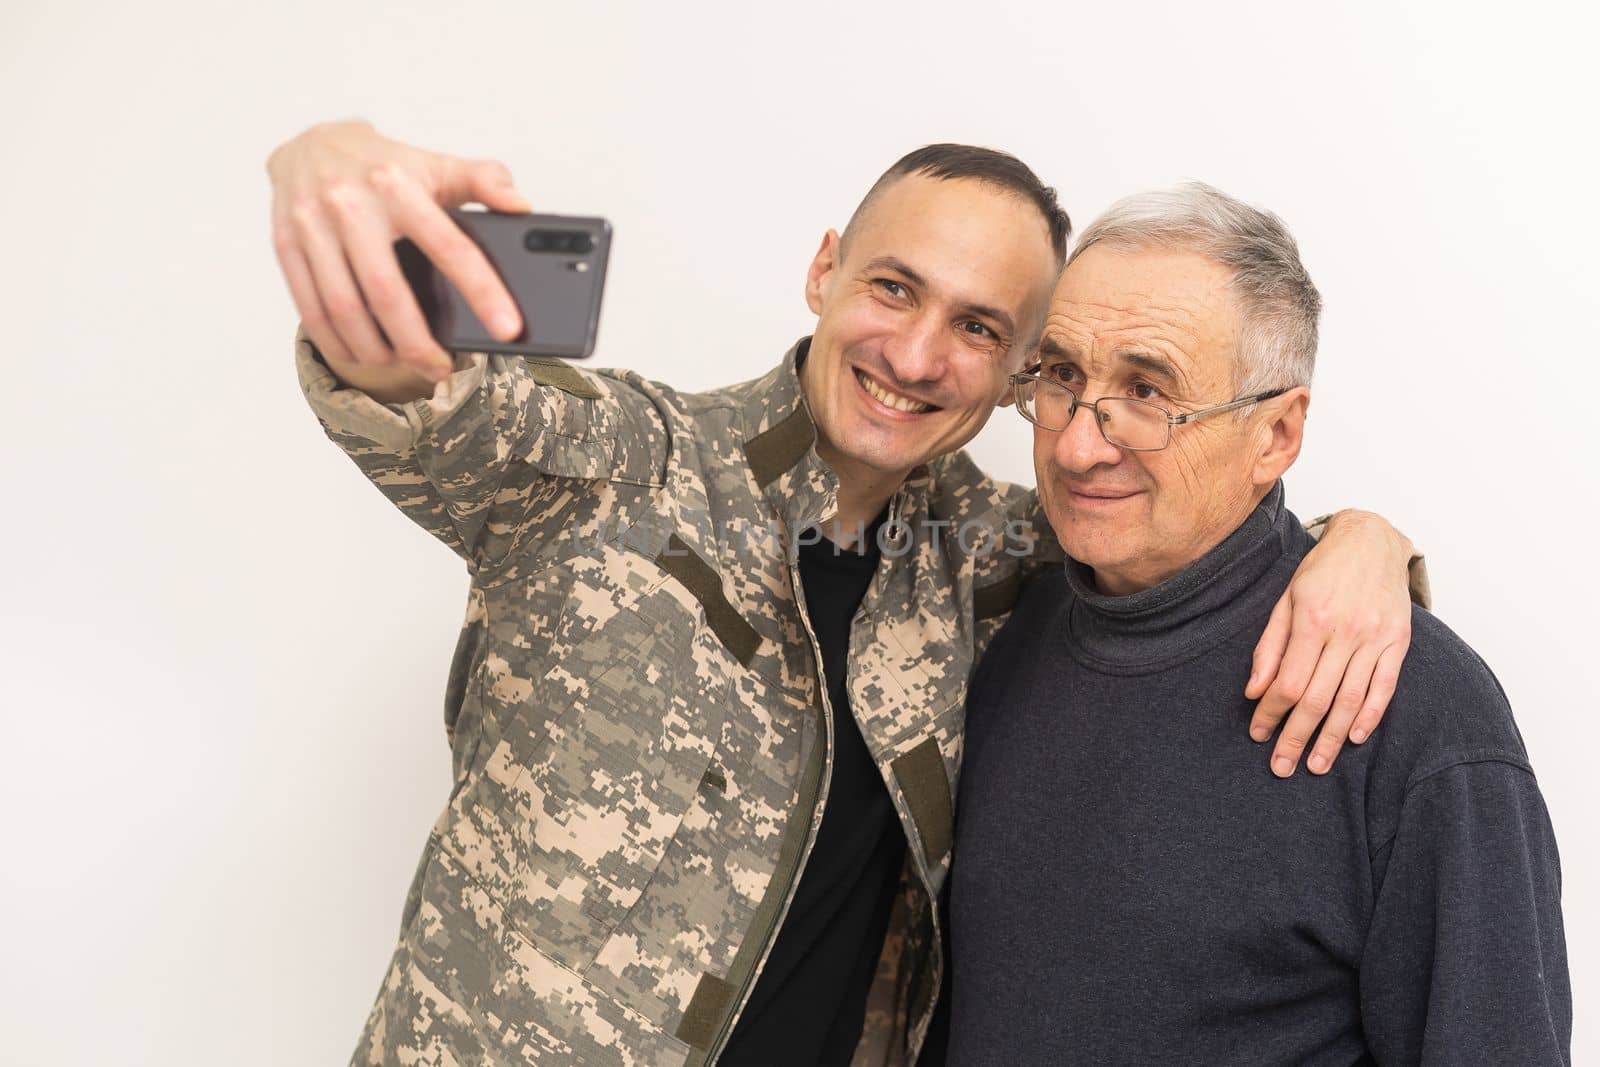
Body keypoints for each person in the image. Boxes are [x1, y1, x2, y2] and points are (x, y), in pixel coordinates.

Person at [269, 122, 1425, 1066]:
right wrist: (326, 179)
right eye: (892, 288)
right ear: (825, 269)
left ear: (1023, 368)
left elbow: (1186, 540)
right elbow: (413, 395)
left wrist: (1361, 542)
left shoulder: (994, 554)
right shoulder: (609, 464)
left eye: (978, 327)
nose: (918, 357)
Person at [948, 183, 1569, 1065]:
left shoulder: (1418, 713)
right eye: (1061, 375)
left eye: (1148, 392)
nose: (1080, 444)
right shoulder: (1002, 623)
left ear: (1276, 435)